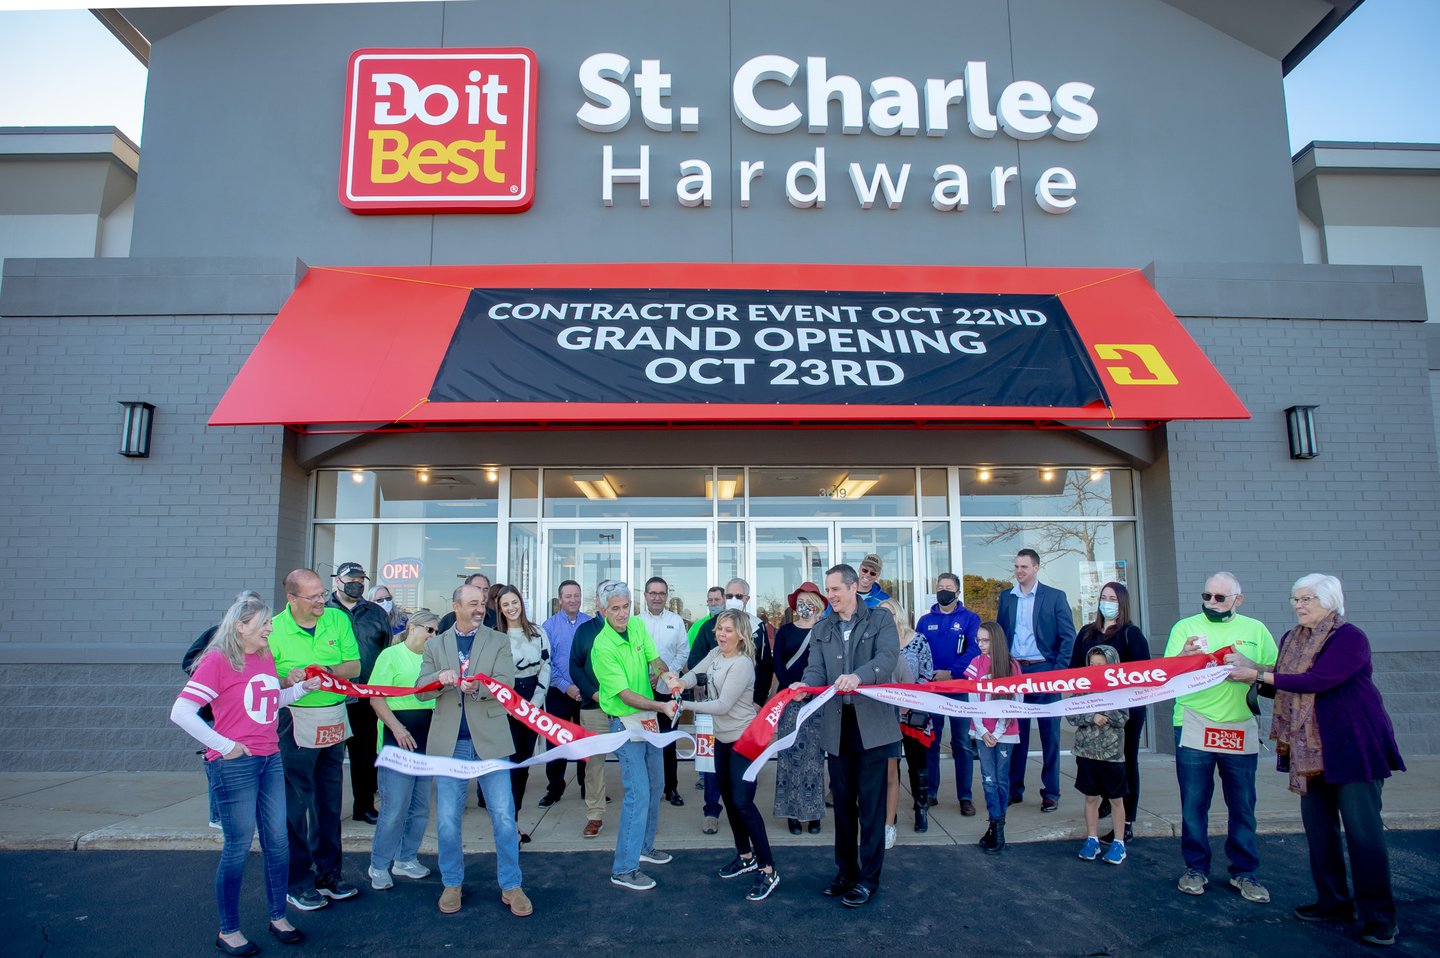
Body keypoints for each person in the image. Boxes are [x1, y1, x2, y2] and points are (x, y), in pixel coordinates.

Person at [1224, 574, 1405, 948]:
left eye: (1307, 598)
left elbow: (1318, 680)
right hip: (1308, 752)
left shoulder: (1349, 638)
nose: (1298, 605)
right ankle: (1334, 902)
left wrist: (1257, 671)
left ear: (1330, 601)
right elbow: (1283, 684)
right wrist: (1250, 670)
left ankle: (1380, 918)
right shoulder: (1292, 639)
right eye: (1295, 599)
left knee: (1363, 835)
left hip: (1353, 748)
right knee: (1319, 831)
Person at [171, 595, 318, 956]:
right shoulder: (219, 659)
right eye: (264, 623)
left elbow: (268, 701)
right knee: (237, 847)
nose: (270, 628)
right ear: (241, 627)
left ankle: (278, 916)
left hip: (270, 759)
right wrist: (224, 745)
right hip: (235, 765)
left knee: (278, 843)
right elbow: (181, 711)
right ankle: (228, 930)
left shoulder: (264, 656)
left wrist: (300, 690)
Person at [415, 584, 531, 917]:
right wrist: (441, 677)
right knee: (449, 821)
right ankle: (452, 883)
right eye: (473, 604)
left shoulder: (498, 641)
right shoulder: (435, 644)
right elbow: (421, 691)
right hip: (450, 745)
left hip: (491, 742)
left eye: (483, 603)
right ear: (456, 606)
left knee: (505, 818)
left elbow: (505, 684)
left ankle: (511, 885)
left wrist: (476, 686)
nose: (480, 609)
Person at [1165, 572, 1277, 904]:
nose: (1211, 603)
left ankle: (1244, 872)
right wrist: (1184, 656)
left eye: (1219, 597)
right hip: (1193, 724)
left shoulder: (1255, 629)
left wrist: (1250, 665)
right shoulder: (1184, 628)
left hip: (1239, 726)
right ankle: (1195, 868)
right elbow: (1166, 676)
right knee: (1193, 804)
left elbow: (1274, 671)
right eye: (1206, 596)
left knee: (1243, 805)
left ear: (1238, 600)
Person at [796, 564, 899, 908]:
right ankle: (846, 872)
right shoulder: (822, 627)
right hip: (837, 729)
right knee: (842, 806)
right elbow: (815, 670)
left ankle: (869, 878)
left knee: (871, 807)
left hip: (873, 728)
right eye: (829, 590)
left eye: (836, 589)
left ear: (854, 587)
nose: (831, 596)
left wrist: (859, 676)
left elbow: (887, 658)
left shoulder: (881, 620)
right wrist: (804, 686)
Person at [669, 609, 779, 901]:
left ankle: (768, 869)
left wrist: (685, 706)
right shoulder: (717, 654)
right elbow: (696, 673)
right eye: (719, 628)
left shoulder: (742, 664)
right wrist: (682, 683)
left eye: (728, 630)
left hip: (745, 741)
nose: (721, 634)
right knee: (730, 801)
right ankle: (745, 856)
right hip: (722, 740)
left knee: (743, 802)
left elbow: (722, 706)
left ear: (741, 634)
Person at [268, 569, 361, 911]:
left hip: (333, 719)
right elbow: (262, 678)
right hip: (293, 721)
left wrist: (323, 672)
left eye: (323, 594)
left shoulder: (337, 620)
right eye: (314, 597)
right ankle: (298, 881)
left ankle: (329, 874)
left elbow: (354, 666)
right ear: (292, 599)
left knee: (329, 801)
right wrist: (285, 677)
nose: (322, 601)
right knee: (295, 805)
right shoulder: (273, 629)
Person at [590, 580, 678, 891]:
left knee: (657, 784)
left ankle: (645, 846)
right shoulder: (602, 647)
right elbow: (625, 695)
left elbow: (655, 660)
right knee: (638, 792)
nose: (623, 613)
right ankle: (624, 868)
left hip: (649, 719)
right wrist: (661, 704)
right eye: (615, 608)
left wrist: (669, 677)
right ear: (603, 611)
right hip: (625, 722)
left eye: (626, 607)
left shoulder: (637, 627)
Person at [1070, 581, 1151, 843]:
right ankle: (1104, 802)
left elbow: (1144, 674)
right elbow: (1073, 670)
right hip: (1091, 713)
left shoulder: (1131, 634)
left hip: (1122, 713)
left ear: (1123, 603)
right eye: (1104, 597)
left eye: (1113, 599)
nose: (1108, 602)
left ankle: (1126, 822)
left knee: (1124, 763)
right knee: (1094, 762)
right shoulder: (1086, 633)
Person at [997, 548, 1076, 812]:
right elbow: (1001, 636)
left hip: (1045, 671)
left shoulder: (1054, 597)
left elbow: (1068, 637)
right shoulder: (1006, 598)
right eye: (1017, 566)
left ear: (1036, 568)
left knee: (1049, 735)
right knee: (1015, 733)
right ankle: (1014, 788)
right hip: (1016, 672)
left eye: (1024, 567)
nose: (1019, 571)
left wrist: (1058, 672)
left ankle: (1051, 792)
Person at [367, 610, 439, 892]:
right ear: (412, 628)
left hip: (425, 739)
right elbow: (376, 698)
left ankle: (406, 858)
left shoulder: (433, 659)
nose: (433, 636)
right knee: (394, 807)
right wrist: (397, 728)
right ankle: (379, 864)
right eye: (429, 630)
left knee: (420, 807)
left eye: (436, 632)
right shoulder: (390, 656)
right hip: (398, 740)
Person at [182, 590, 264, 830]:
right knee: (219, 760)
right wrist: (217, 681)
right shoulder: (215, 635)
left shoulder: (260, 642)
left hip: (249, 713)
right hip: (216, 713)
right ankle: (217, 815)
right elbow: (190, 661)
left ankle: (244, 813)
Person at [327, 562, 392, 825]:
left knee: (364, 756)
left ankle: (363, 806)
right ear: (337, 581)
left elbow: (386, 651)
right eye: (350, 578)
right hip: (330, 696)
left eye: (360, 579)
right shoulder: (324, 611)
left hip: (365, 696)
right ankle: (328, 811)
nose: (356, 583)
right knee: (330, 757)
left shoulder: (376, 613)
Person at [917, 572, 981, 816]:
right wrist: (929, 675)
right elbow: (918, 648)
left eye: (948, 587)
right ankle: (930, 793)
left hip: (958, 689)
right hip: (932, 690)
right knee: (931, 741)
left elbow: (974, 650)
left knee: (962, 743)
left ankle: (965, 796)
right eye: (940, 586)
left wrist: (952, 673)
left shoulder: (970, 619)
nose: (943, 590)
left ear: (957, 592)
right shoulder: (925, 620)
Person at [773, 582, 827, 835]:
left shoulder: (826, 631)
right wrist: (792, 689)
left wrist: (810, 689)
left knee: (814, 760)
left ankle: (814, 813)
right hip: (789, 700)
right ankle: (791, 814)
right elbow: (778, 665)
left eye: (809, 601)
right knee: (788, 757)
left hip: (816, 701)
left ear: (817, 605)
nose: (803, 606)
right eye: (800, 601)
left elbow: (828, 665)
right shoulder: (785, 631)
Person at [496, 585, 550, 841]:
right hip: (505, 706)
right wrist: (511, 706)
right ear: (500, 608)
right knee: (507, 767)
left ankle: (513, 822)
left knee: (522, 766)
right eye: (505, 604)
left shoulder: (538, 633)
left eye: (514, 602)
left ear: (521, 603)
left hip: (531, 704)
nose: (511, 608)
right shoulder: (495, 636)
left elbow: (546, 666)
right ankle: (505, 826)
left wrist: (534, 704)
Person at [1068, 645, 1129, 866]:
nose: (1095, 668)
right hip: (1086, 752)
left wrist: (1105, 714)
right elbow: (1071, 714)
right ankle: (1091, 839)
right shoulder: (1081, 685)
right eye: (1092, 664)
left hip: (1111, 754)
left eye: (1100, 665)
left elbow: (1123, 716)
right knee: (1090, 797)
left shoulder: (1121, 686)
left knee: (1115, 798)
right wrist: (1090, 715)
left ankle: (1119, 843)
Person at [879, 598, 932, 844]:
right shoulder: (878, 643)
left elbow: (925, 674)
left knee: (916, 762)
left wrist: (909, 700)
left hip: (913, 712)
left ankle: (921, 808)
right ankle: (891, 814)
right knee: (890, 767)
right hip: (885, 716)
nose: (884, 617)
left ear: (898, 613)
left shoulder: (917, 639)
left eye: (888, 613)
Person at [538, 579, 591, 808]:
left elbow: (594, 659)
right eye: (568, 596)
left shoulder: (590, 624)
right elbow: (546, 662)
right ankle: (555, 788)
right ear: (560, 599)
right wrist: (565, 686)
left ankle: (587, 787)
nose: (573, 600)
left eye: (577, 595)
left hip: (586, 692)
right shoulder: (547, 627)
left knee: (586, 742)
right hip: (559, 692)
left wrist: (583, 687)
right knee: (556, 741)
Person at [569, 579, 616, 838]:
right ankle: (594, 815)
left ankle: (637, 813)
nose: (611, 601)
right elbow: (575, 666)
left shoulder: (630, 629)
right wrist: (593, 692)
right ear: (598, 602)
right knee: (594, 763)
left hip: (625, 708)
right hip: (593, 706)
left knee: (633, 760)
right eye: (605, 596)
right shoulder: (585, 631)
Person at [638, 576, 689, 807]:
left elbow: (683, 652)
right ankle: (649, 788)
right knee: (645, 741)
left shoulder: (676, 621)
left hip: (668, 691)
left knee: (668, 741)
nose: (657, 597)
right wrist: (641, 676)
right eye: (653, 593)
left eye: (661, 593)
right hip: (642, 692)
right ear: (646, 595)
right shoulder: (635, 623)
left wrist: (667, 674)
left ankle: (671, 788)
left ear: (666, 596)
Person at [969, 621, 1018, 854]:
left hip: (1005, 733)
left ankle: (999, 828)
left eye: (985, 640)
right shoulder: (975, 664)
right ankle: (994, 825)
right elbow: (972, 699)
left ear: (996, 640)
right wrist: (982, 730)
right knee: (988, 779)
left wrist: (997, 732)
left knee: (1000, 778)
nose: (981, 644)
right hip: (981, 731)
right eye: (978, 639)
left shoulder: (1011, 665)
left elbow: (1015, 701)